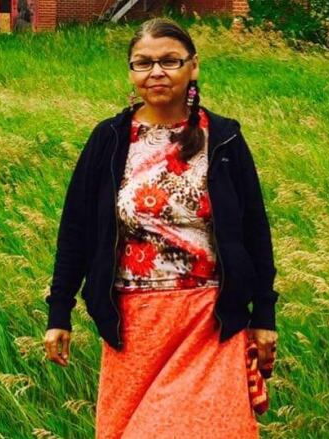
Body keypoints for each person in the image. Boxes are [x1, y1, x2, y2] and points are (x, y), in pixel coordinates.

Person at [43, 17, 279, 437]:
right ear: (131, 72)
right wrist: (59, 310)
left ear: (193, 67)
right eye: (143, 63)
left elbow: (254, 233)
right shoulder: (110, 138)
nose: (156, 72)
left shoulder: (223, 138)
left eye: (170, 61)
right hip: (133, 325)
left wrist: (264, 314)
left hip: (209, 320)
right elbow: (76, 229)